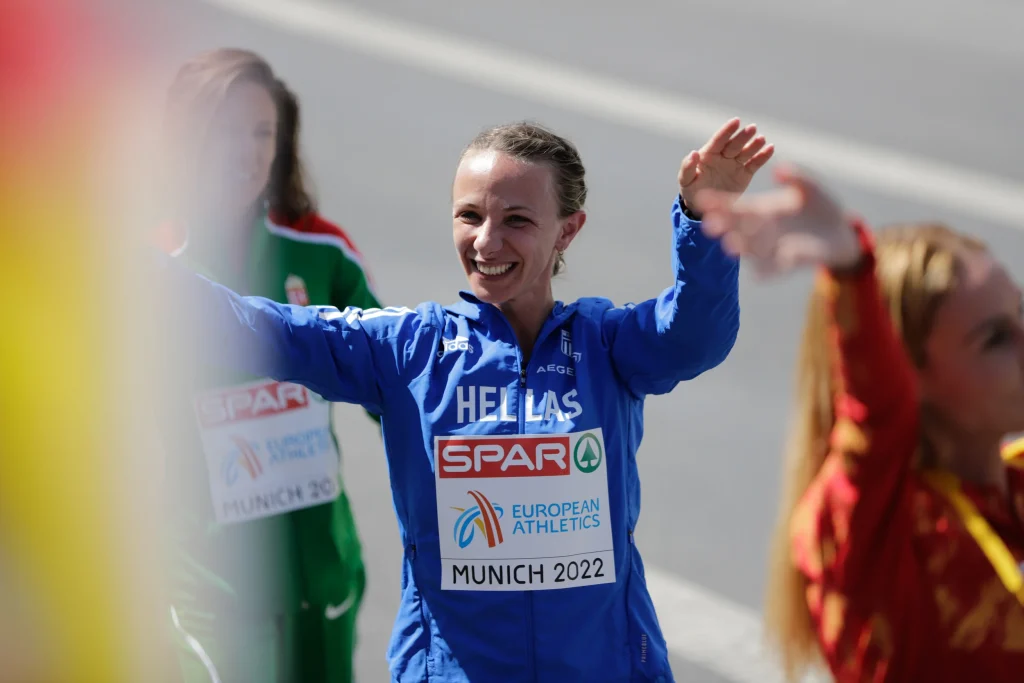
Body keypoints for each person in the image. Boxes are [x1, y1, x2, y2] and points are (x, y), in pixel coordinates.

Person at [156, 116, 774, 682]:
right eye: (469, 216)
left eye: (517, 220)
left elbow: (695, 334)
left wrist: (703, 220)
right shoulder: (409, 349)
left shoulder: (607, 343)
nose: (486, 242)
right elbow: (257, 329)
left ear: (568, 229)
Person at [695, 168, 1024, 682]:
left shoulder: (1011, 482)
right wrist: (852, 271)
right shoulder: (875, 531)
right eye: (996, 338)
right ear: (908, 374)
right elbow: (878, 418)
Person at [156, 48, 379, 683]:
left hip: (320, 575)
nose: (247, 152)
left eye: (262, 133)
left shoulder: (321, 250)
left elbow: (393, 380)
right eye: (226, 130)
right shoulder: (148, 260)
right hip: (207, 586)